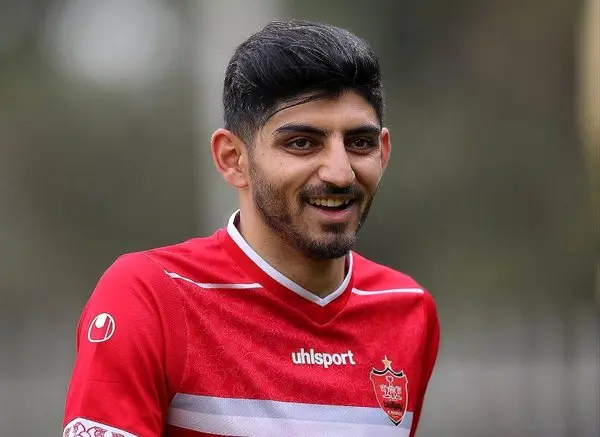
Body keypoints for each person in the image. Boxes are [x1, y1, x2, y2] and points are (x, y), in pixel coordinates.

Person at [62, 19, 440, 437]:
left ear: (383, 152)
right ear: (232, 159)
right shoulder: (149, 297)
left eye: (359, 143)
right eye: (302, 143)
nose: (339, 172)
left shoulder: (410, 310)